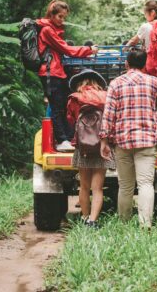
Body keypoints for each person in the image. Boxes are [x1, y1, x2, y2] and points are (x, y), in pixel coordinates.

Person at [99, 48, 157, 227]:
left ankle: (124, 223)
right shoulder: (153, 82)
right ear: (145, 64)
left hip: (122, 141)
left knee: (125, 186)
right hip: (147, 140)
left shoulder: (116, 83)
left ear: (126, 64)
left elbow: (108, 114)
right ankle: (145, 225)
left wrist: (104, 140)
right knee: (146, 183)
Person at [37, 0, 98, 152]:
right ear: (51, 14)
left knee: (64, 105)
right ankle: (62, 140)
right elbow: (66, 49)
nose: (62, 20)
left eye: (64, 17)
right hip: (51, 73)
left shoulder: (52, 29)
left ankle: (68, 137)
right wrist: (88, 50)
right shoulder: (47, 31)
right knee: (57, 107)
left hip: (57, 72)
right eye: (60, 17)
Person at [67, 69, 115, 228]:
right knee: (97, 188)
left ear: (80, 83)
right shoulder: (106, 96)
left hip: (83, 147)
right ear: (97, 83)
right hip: (102, 145)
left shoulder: (75, 98)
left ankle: (84, 217)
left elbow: (71, 120)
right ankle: (93, 221)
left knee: (84, 186)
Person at [125, 0, 157, 91]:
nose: (145, 16)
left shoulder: (146, 26)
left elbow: (133, 41)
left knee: (149, 89)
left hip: (151, 66)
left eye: (145, 13)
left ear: (152, 13)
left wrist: (124, 49)